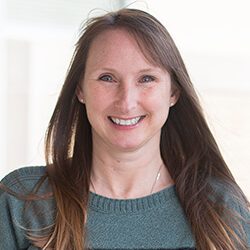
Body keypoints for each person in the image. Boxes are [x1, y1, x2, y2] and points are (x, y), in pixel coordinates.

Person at [0, 8, 249, 250]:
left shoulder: (221, 209)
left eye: (146, 79)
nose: (127, 102)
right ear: (80, 90)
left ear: (173, 91)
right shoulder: (23, 201)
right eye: (107, 78)